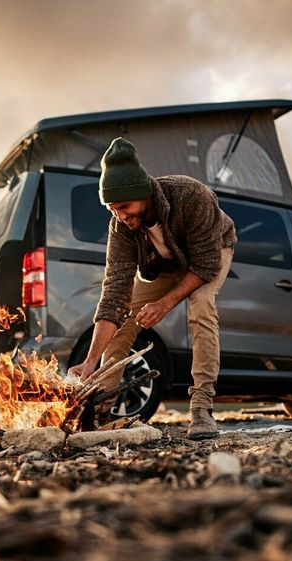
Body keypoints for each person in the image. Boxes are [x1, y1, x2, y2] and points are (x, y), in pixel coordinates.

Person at [68, 138, 236, 439]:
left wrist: (164, 304)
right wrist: (90, 361)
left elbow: (206, 267)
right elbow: (114, 292)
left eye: (124, 207)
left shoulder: (191, 196)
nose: (120, 215)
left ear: (143, 194)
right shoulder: (120, 226)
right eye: (112, 209)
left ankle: (201, 409)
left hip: (212, 252)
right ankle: (103, 405)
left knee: (201, 305)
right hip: (167, 265)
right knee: (125, 314)